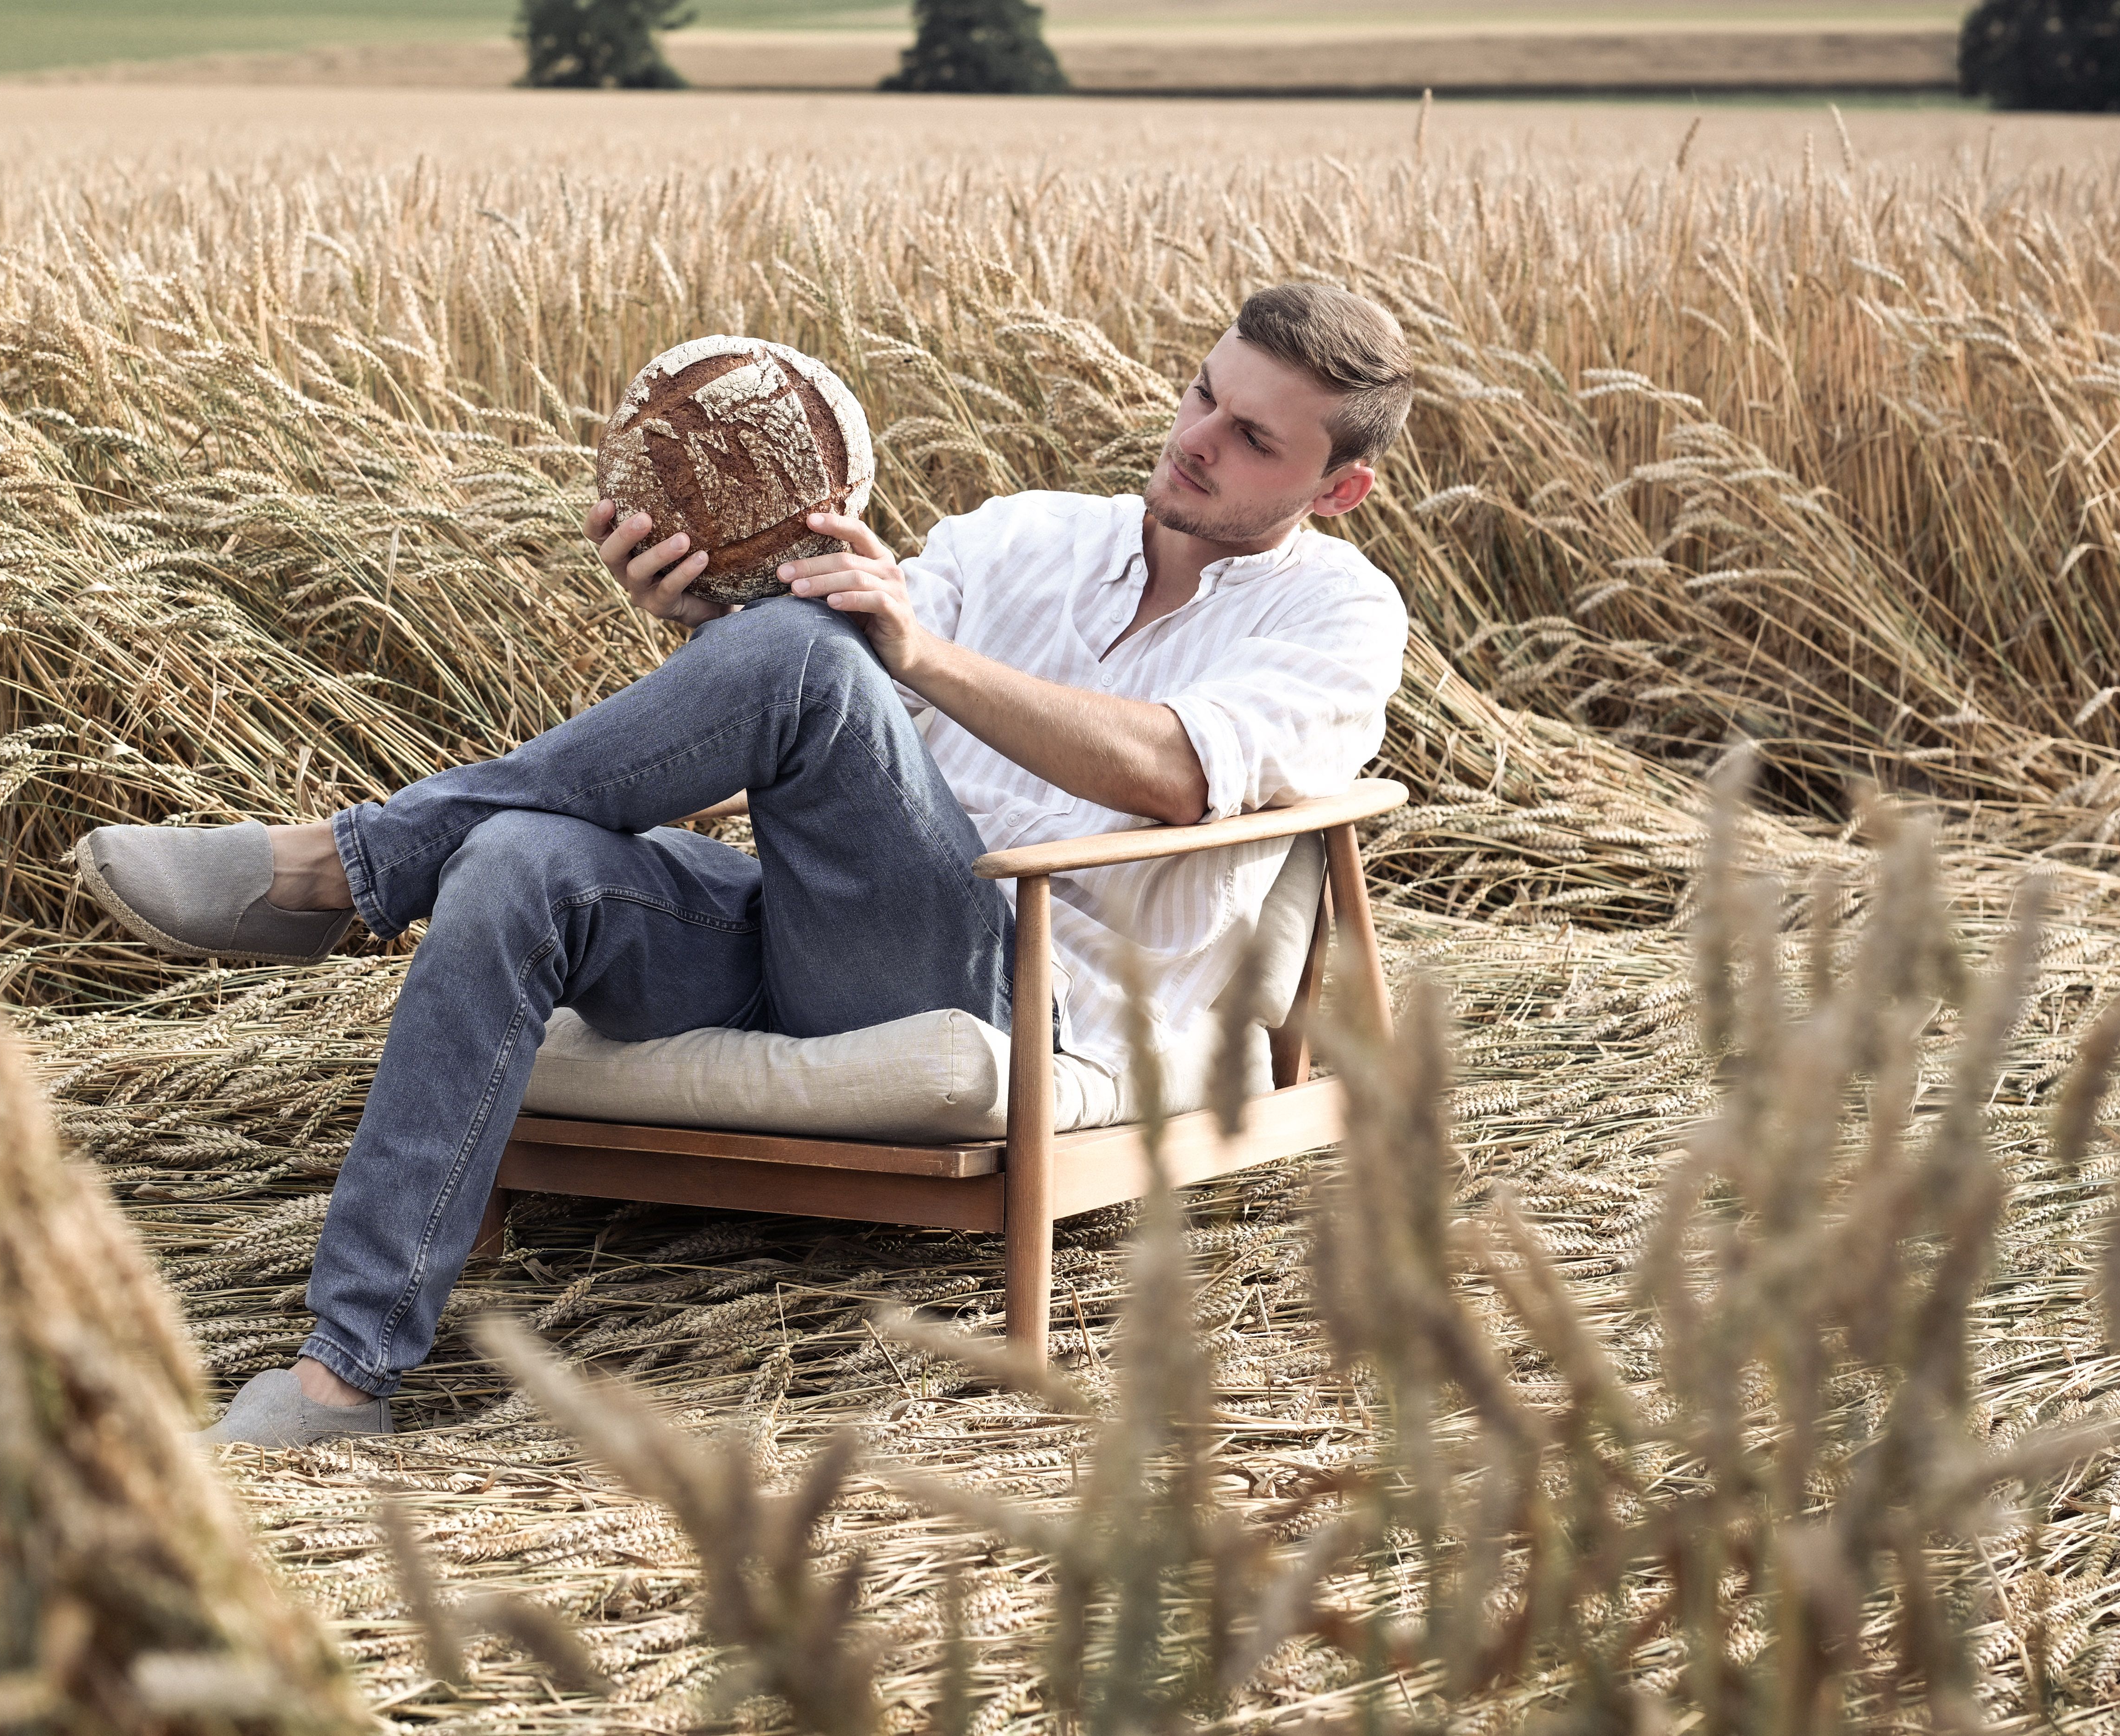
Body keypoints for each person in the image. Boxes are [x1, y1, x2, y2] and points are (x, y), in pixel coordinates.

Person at [74, 281, 1414, 1446]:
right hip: (810, 923)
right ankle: (343, 1371)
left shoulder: (1340, 611)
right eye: (1199, 397)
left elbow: (1175, 768)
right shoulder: (1026, 534)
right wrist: (703, 613)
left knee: (807, 652)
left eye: (1250, 439)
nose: (1194, 443)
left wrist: (912, 654)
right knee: (521, 857)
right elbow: (789, 705)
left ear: (1336, 484)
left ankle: (342, 868)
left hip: (1016, 976)